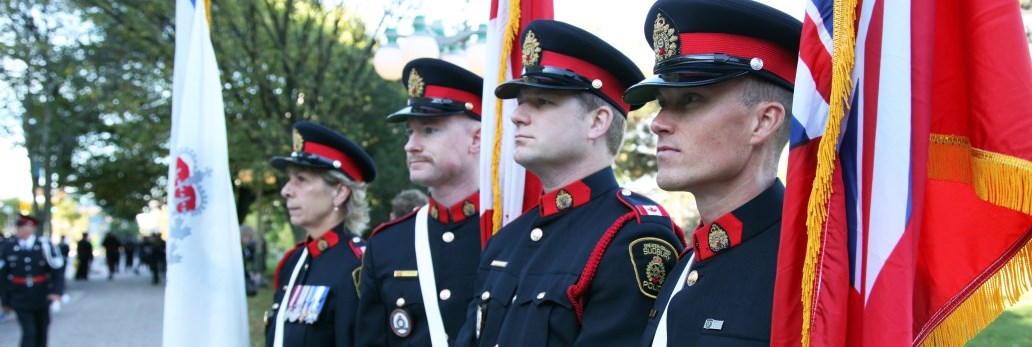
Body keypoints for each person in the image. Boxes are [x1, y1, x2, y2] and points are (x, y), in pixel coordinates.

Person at [456, 20, 686, 347]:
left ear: (597, 122)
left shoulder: (631, 236)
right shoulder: (508, 239)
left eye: (542, 102)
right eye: (521, 102)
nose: (517, 115)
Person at [620, 0, 800, 345]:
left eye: (690, 100)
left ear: (763, 121)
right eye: (662, 103)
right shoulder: (687, 264)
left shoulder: (810, 270)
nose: (657, 124)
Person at [356, 58, 484, 346]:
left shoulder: (510, 231)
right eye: (410, 131)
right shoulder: (386, 244)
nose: (410, 144)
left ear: (476, 138)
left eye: (429, 130)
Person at [264, 121, 377, 347]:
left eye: (301, 179)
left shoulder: (359, 267)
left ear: (340, 192)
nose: (286, 191)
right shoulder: (294, 261)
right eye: (289, 179)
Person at [0, 215, 65, 347]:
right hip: (19, 296)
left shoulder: (43, 246)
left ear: (31, 228)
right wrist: (5, 301)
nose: (19, 230)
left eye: (22, 226)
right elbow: (3, 276)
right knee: (29, 332)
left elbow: (56, 271)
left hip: (41, 295)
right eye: (18, 227)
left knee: (42, 331)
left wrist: (56, 292)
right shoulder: (9, 247)